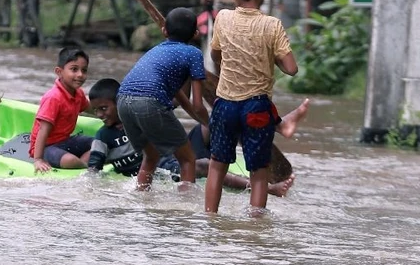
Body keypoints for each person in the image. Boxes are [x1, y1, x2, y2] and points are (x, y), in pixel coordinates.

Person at [88, 77, 308, 198]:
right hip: (169, 169)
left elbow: (172, 107)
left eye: (104, 108)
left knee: (213, 124)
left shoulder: (140, 118)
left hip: (177, 155)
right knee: (205, 165)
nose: (100, 115)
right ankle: (266, 188)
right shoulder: (103, 135)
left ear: (121, 102)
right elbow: (92, 168)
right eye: (96, 111)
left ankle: (258, 152)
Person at [205, 0, 299, 214]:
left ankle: (210, 218)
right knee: (259, 172)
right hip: (257, 108)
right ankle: (254, 230)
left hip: (224, 105)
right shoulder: (272, 25)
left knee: (217, 166)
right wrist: (272, 57)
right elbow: (291, 68)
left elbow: (215, 55)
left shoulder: (223, 18)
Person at [117, 7, 208, 190]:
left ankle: (142, 196)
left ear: (164, 31)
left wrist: (200, 119)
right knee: (188, 158)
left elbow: (180, 99)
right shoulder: (194, 54)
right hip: (149, 102)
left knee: (150, 155)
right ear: (196, 34)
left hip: (122, 100)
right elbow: (198, 105)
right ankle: (185, 208)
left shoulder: (156, 51)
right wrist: (210, 124)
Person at [30, 47, 94, 173]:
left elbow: (91, 108)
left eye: (84, 70)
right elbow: (43, 130)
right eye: (74, 69)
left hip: (65, 141)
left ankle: (82, 163)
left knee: (100, 144)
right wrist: (38, 159)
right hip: (47, 147)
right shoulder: (53, 98)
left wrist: (112, 112)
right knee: (70, 161)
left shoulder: (78, 94)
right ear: (59, 72)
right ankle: (86, 166)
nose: (80, 75)